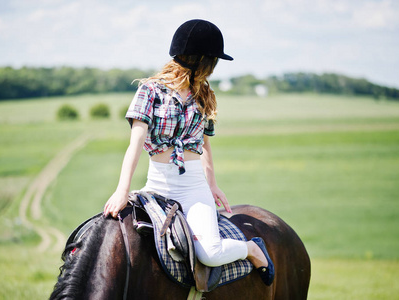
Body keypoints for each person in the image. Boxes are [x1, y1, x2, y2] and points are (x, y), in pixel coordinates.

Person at [103, 19, 274, 286]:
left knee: (210, 253)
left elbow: (203, 144)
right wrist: (122, 191)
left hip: (194, 188)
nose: (213, 69)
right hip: (156, 187)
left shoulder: (204, 94)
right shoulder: (149, 91)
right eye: (213, 62)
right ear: (201, 61)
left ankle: (251, 249)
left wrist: (213, 184)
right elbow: (134, 145)